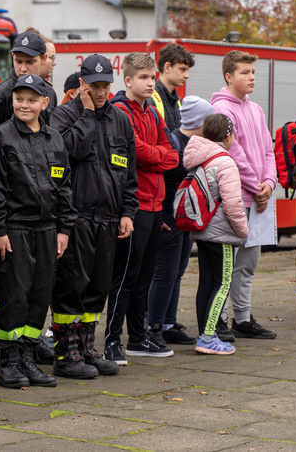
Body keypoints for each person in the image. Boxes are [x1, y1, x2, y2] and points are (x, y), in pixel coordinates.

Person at [0, 74, 77, 389]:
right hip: (15, 230)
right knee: (15, 296)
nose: (24, 104)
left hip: (48, 230)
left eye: (32, 99)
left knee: (39, 296)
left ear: (44, 103)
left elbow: (63, 188)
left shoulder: (54, 139)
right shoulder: (0, 137)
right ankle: (8, 361)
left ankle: (27, 357)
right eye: (19, 98)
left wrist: (64, 229)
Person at [51, 54, 137, 377]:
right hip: (77, 216)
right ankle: (66, 354)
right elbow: (66, 152)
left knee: (98, 287)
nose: (101, 93)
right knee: (72, 285)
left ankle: (87, 347)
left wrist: (128, 211)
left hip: (109, 218)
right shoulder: (63, 116)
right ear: (82, 84)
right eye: (95, 86)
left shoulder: (120, 120)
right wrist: (86, 116)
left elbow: (129, 171)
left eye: (105, 86)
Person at [0, 31, 56, 373]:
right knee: (0, 281)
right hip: (8, 209)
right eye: (17, 61)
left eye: (29, 61)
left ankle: (25, 344)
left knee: (32, 287)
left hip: (38, 210)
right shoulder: (4, 94)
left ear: (44, 61)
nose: (21, 66)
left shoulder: (47, 94)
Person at [105, 53, 179, 360]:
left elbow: (172, 154)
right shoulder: (120, 111)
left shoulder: (153, 111)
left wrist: (157, 156)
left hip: (155, 205)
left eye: (153, 77)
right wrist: (158, 156)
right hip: (133, 207)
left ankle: (137, 338)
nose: (151, 83)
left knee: (144, 278)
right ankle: (112, 340)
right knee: (125, 278)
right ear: (128, 80)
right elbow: (136, 152)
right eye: (145, 78)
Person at [209, 50, 277, 341]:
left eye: (253, 72)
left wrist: (270, 184)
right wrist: (256, 186)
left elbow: (267, 150)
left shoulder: (256, 109)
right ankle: (220, 320)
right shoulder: (222, 109)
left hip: (258, 197)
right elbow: (233, 154)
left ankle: (243, 318)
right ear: (229, 76)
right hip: (237, 198)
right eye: (245, 72)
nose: (251, 77)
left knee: (249, 264)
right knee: (228, 266)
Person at [146, 96, 214, 347]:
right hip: (168, 219)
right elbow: (155, 177)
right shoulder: (173, 141)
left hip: (183, 219)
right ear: (200, 121)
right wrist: (160, 215)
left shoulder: (195, 142)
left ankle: (168, 323)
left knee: (176, 273)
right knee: (164, 273)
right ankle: (153, 326)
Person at [184, 114, 249, 354]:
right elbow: (233, 205)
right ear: (228, 135)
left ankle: (204, 333)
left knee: (206, 285)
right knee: (222, 285)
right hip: (222, 234)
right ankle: (208, 338)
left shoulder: (199, 158)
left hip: (203, 231)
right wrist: (243, 232)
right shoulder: (224, 161)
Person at [0, 31, 55, 139]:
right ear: (12, 56)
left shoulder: (49, 92)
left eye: (30, 62)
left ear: (43, 59)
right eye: (18, 61)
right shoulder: (0, 95)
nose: (23, 69)